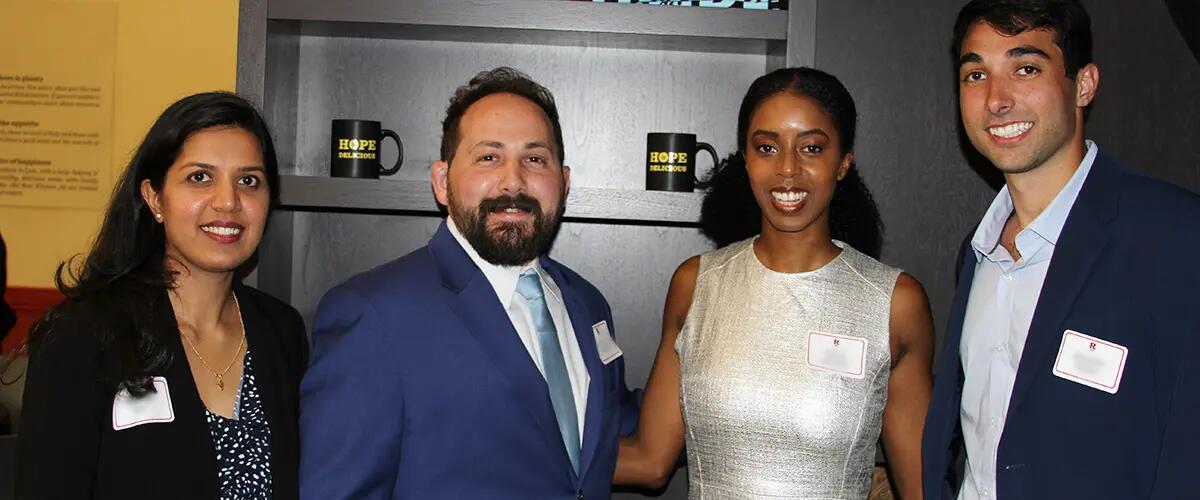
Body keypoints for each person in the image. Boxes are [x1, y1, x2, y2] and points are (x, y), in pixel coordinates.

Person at [299, 67, 641, 499]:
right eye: (488, 157)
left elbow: (610, 428)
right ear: (442, 182)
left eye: (535, 159)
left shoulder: (588, 305)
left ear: (564, 182)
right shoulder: (374, 314)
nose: (513, 181)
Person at [922, 1, 1200, 498]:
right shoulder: (977, 252)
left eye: (1025, 68)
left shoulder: (1174, 237)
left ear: (1084, 85)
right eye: (975, 75)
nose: (996, 100)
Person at [615, 67, 934, 499]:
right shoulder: (696, 284)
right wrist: (512, 453)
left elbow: (920, 488)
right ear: (746, 158)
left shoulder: (893, 302)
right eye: (767, 147)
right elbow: (651, 461)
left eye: (811, 148)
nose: (787, 168)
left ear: (843, 162)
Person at [17, 92, 309, 500]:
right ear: (155, 198)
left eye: (249, 181)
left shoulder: (281, 331)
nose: (228, 201)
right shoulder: (85, 334)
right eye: (200, 177)